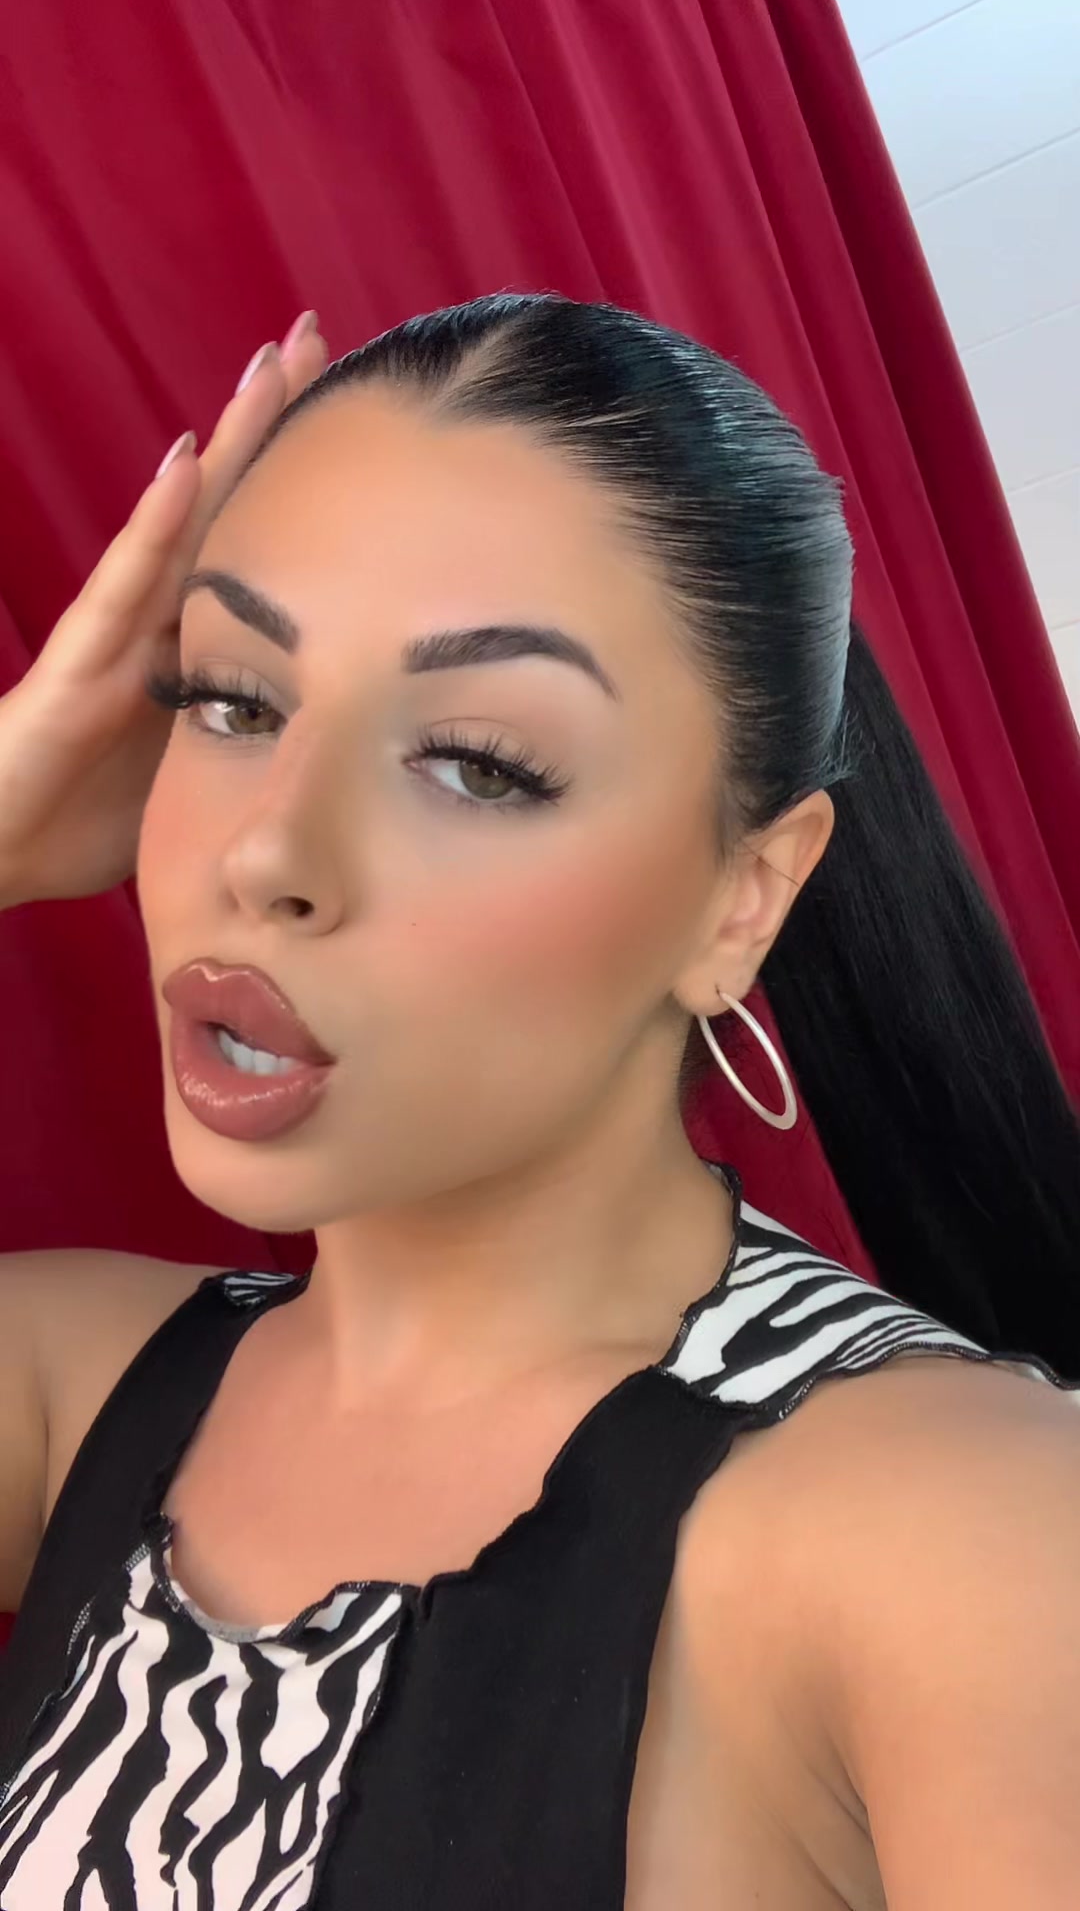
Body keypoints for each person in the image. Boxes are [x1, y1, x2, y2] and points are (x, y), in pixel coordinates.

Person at [0, 294, 1077, 1910]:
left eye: (479, 763)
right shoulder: (82, 1390)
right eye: (232, 700)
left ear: (744, 899)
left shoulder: (962, 1532)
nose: (268, 853)